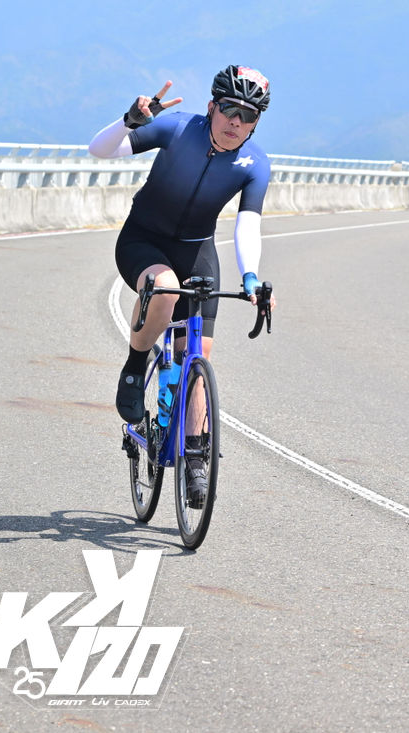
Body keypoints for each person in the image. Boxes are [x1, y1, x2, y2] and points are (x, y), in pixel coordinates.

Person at [89, 65, 275, 502]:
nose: (236, 122)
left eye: (248, 116)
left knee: (198, 355)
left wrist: (250, 276)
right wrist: (129, 122)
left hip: (196, 250)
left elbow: (248, 224)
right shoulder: (176, 129)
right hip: (143, 242)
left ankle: (195, 458)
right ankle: (135, 367)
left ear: (255, 123)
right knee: (166, 289)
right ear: (212, 107)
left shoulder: (254, 163)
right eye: (229, 109)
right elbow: (100, 150)